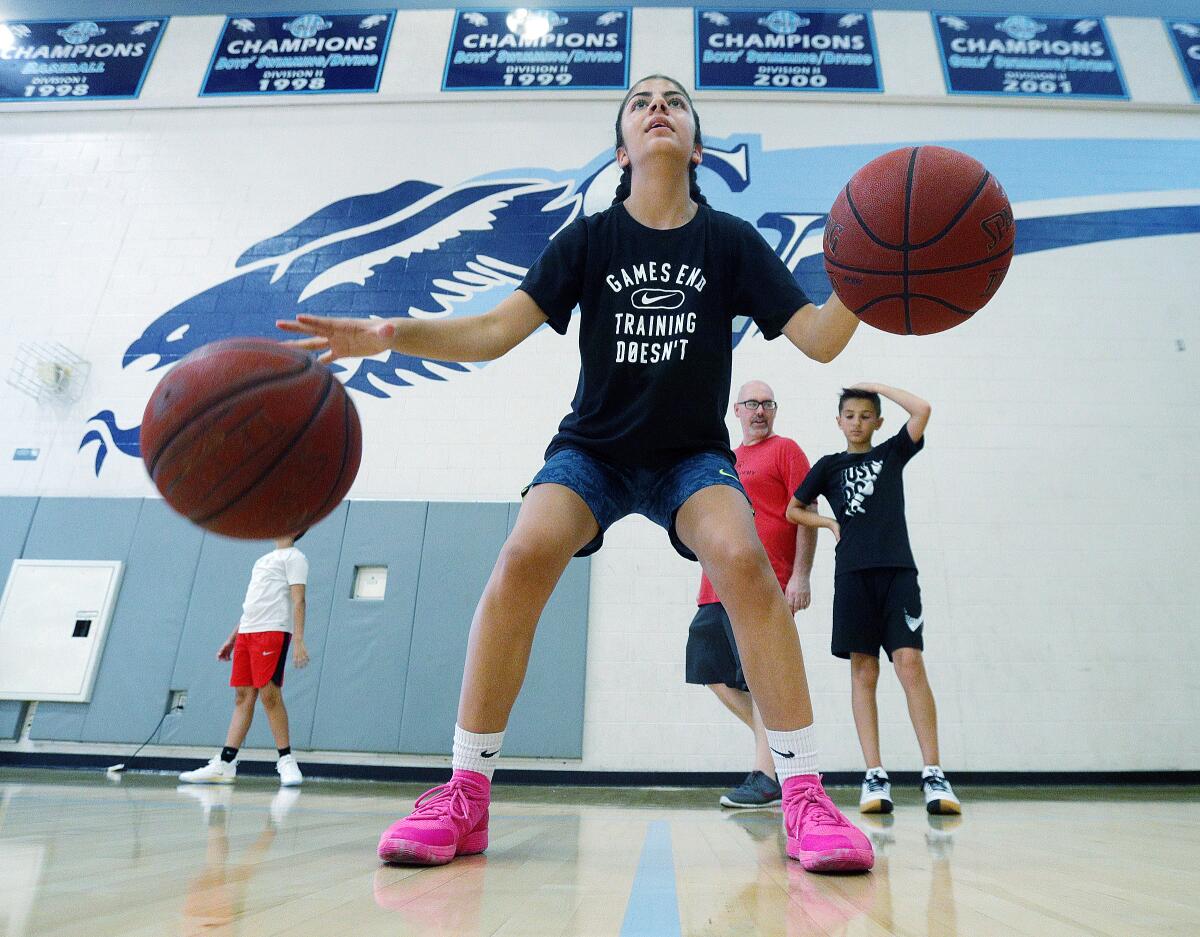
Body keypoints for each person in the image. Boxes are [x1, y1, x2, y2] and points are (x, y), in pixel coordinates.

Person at [279, 74, 874, 873]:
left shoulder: (729, 240)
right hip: (592, 449)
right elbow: (494, 329)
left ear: (696, 145)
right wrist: (392, 331)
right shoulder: (592, 239)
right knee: (522, 557)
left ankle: (803, 795)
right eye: (640, 102)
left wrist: (877, 276)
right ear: (622, 147)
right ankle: (465, 793)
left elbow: (820, 338)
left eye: (674, 100)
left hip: (690, 456)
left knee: (741, 559)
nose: (657, 106)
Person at [787, 384, 961, 816]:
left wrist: (876, 386)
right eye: (850, 414)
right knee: (864, 671)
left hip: (898, 574)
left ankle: (934, 774)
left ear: (878, 421)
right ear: (839, 421)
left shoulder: (891, 453)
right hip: (852, 578)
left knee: (909, 663)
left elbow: (922, 408)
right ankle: (875, 775)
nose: (858, 422)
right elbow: (793, 510)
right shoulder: (828, 466)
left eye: (867, 415)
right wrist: (827, 522)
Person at [685, 379, 816, 808]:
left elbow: (807, 514)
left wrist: (801, 576)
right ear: (735, 411)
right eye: (751, 404)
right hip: (714, 587)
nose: (760, 411)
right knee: (712, 673)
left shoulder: (787, 451)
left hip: (767, 586)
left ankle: (766, 775)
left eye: (767, 404)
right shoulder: (724, 460)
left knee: (763, 679)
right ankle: (779, 751)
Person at [179, 533, 309, 787]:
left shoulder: (295, 558)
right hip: (248, 632)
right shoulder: (262, 561)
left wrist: (299, 640)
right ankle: (225, 764)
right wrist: (232, 638)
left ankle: (286, 761)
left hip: (273, 632)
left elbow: (299, 600)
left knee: (269, 695)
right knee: (242, 697)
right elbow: (252, 606)